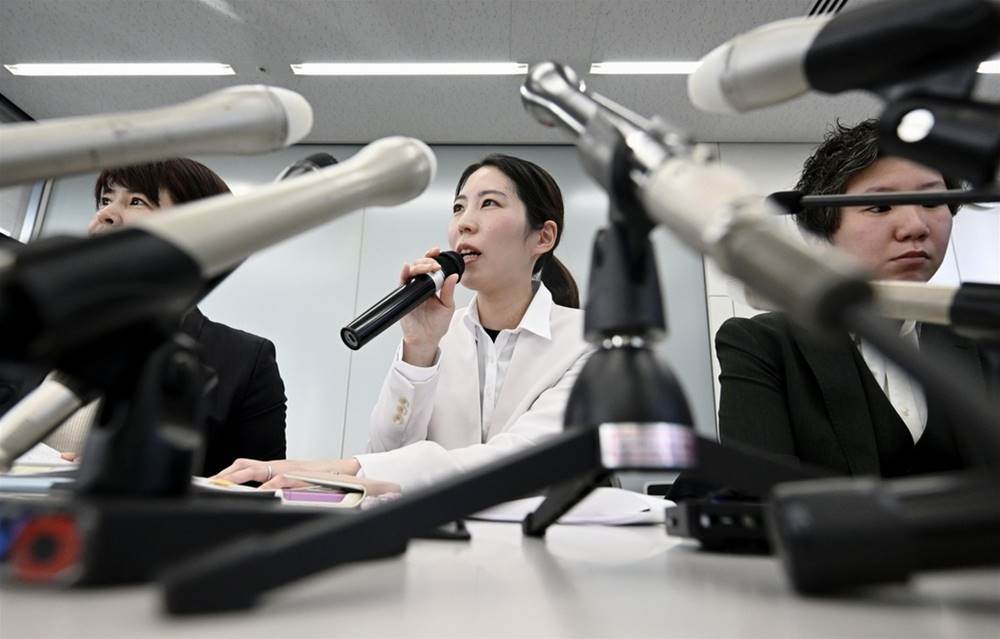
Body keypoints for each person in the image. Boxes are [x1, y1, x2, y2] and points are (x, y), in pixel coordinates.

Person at [214, 154, 593, 491]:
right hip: (432, 538)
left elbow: (525, 461)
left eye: (489, 203)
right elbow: (387, 453)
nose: (464, 223)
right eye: (458, 207)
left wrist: (341, 469)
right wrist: (419, 349)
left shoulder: (589, 342)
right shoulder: (441, 336)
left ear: (543, 237)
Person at [715, 119, 996, 477]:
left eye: (931, 201)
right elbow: (761, 492)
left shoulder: (987, 340)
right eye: (880, 206)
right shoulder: (761, 345)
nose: (916, 226)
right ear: (825, 226)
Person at [43, 158, 288, 475]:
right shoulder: (42, 330)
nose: (105, 214)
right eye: (105, 200)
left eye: (136, 201)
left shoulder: (246, 360)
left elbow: (258, 487)